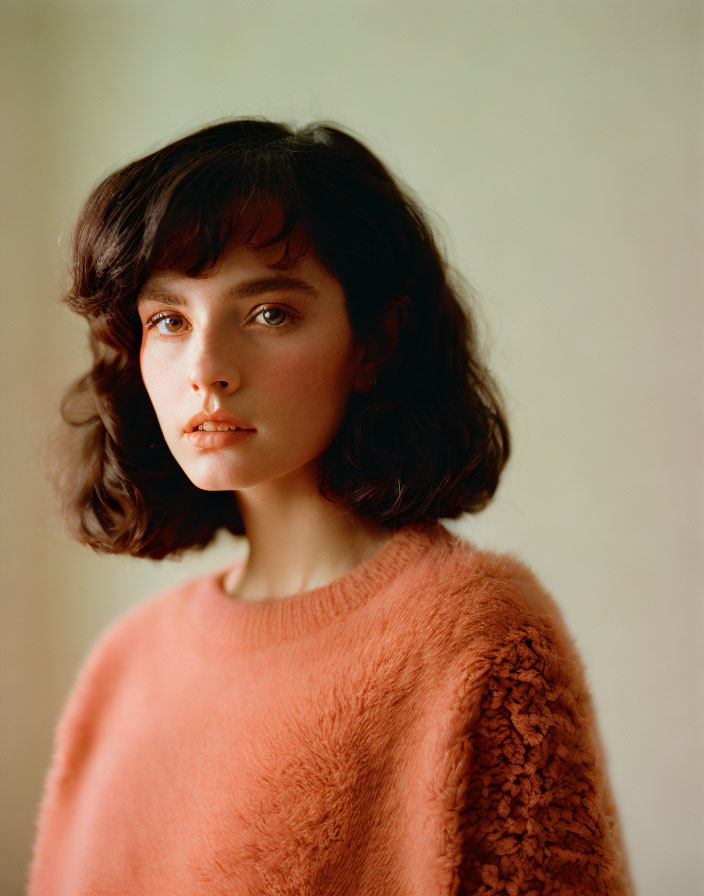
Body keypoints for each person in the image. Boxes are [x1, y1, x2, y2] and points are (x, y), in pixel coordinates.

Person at [27, 119, 635, 895]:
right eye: (168, 320)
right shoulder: (125, 663)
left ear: (374, 344)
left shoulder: (479, 640)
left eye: (269, 313)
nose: (206, 369)